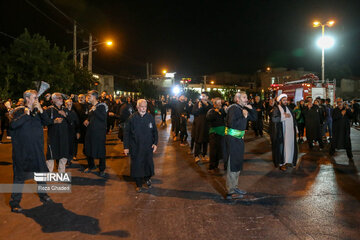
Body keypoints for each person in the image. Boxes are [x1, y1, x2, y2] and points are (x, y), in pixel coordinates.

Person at [9, 90, 53, 213]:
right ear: (28, 99)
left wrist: (41, 110)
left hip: (36, 149)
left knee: (40, 174)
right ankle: (15, 202)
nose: (37, 100)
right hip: (22, 151)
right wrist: (27, 113)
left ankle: (43, 194)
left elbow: (48, 122)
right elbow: (13, 125)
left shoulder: (38, 111)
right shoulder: (19, 111)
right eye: (35, 98)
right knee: (19, 177)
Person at [224, 92, 256, 199]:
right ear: (238, 99)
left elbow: (254, 118)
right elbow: (232, 124)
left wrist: (250, 109)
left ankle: (235, 186)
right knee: (232, 164)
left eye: (247, 97)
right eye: (244, 97)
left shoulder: (241, 108)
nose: (247, 99)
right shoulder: (234, 108)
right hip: (233, 140)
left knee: (237, 163)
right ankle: (230, 191)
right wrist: (244, 116)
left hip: (239, 140)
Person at [123, 99, 158, 192]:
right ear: (137, 107)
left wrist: (155, 143)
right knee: (137, 166)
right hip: (136, 147)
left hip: (148, 147)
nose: (144, 108)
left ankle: (147, 178)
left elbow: (155, 131)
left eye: (145, 107)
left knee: (148, 164)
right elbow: (126, 133)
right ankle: (138, 184)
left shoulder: (150, 117)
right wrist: (126, 147)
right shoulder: (132, 118)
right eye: (142, 107)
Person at [83, 90, 108, 177]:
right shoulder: (91, 106)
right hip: (90, 131)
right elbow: (91, 117)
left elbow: (103, 118)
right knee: (88, 148)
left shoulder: (101, 106)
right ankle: (91, 166)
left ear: (94, 96)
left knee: (100, 150)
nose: (88, 97)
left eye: (89, 95)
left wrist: (95, 110)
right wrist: (87, 120)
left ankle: (102, 169)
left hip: (99, 133)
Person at [271, 94, 298, 171]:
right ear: (279, 101)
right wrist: (283, 116)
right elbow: (274, 119)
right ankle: (281, 163)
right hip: (281, 132)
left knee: (289, 147)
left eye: (286, 100)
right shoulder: (276, 109)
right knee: (281, 148)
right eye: (284, 100)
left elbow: (293, 119)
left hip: (290, 132)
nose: (286, 101)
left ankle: (288, 161)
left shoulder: (289, 108)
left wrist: (295, 128)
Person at [45, 93, 70, 173]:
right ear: (54, 100)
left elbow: (73, 120)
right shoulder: (50, 110)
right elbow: (44, 121)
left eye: (61, 98)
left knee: (64, 154)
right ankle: (49, 172)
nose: (61, 99)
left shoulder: (65, 109)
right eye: (59, 98)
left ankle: (61, 172)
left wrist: (65, 115)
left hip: (64, 136)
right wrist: (53, 121)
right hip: (53, 136)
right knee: (51, 155)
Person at [206, 98, 226, 173]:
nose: (219, 104)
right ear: (214, 104)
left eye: (220, 103)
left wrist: (223, 110)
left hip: (221, 133)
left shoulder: (222, 110)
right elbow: (208, 118)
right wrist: (215, 112)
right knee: (213, 150)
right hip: (214, 134)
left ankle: (216, 165)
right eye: (218, 103)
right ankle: (211, 166)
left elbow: (225, 116)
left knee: (219, 150)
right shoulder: (211, 111)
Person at [192, 92, 212, 164]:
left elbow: (210, 114)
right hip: (199, 125)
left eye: (204, 96)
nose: (202, 97)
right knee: (198, 140)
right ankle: (196, 155)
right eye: (202, 96)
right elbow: (194, 112)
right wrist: (200, 108)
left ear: (207, 97)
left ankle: (204, 154)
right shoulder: (197, 104)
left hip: (207, 125)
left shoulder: (209, 105)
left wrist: (206, 106)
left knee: (206, 140)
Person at [72, 94, 89, 160]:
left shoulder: (87, 105)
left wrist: (88, 119)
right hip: (77, 125)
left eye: (82, 97)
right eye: (79, 97)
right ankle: (74, 154)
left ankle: (85, 152)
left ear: (85, 98)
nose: (80, 98)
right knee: (75, 140)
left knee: (86, 140)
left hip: (85, 126)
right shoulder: (75, 105)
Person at [65, 99, 80, 164]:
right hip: (65, 132)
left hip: (72, 131)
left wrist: (78, 132)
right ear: (65, 104)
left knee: (72, 145)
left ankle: (71, 158)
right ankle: (66, 159)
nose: (68, 106)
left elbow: (77, 123)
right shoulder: (63, 111)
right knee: (66, 146)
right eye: (67, 104)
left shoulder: (74, 112)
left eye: (70, 104)